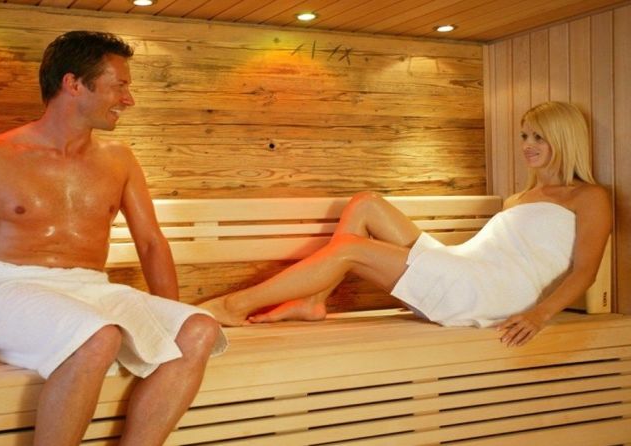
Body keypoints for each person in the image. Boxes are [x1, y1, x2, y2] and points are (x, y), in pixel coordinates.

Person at [0, 31, 227, 446]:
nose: (129, 99)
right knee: (98, 336)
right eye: (119, 85)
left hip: (92, 289)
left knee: (198, 328)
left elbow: (151, 242)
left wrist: (167, 316)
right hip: (10, 288)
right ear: (73, 83)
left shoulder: (119, 159)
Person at [201, 101, 611, 347]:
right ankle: (313, 300)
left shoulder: (588, 197)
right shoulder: (520, 198)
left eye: (538, 137)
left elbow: (585, 271)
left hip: (491, 291)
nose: (527, 146)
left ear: (564, 139)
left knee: (350, 249)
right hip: (467, 267)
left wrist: (540, 315)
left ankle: (234, 306)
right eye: (524, 136)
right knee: (365, 203)